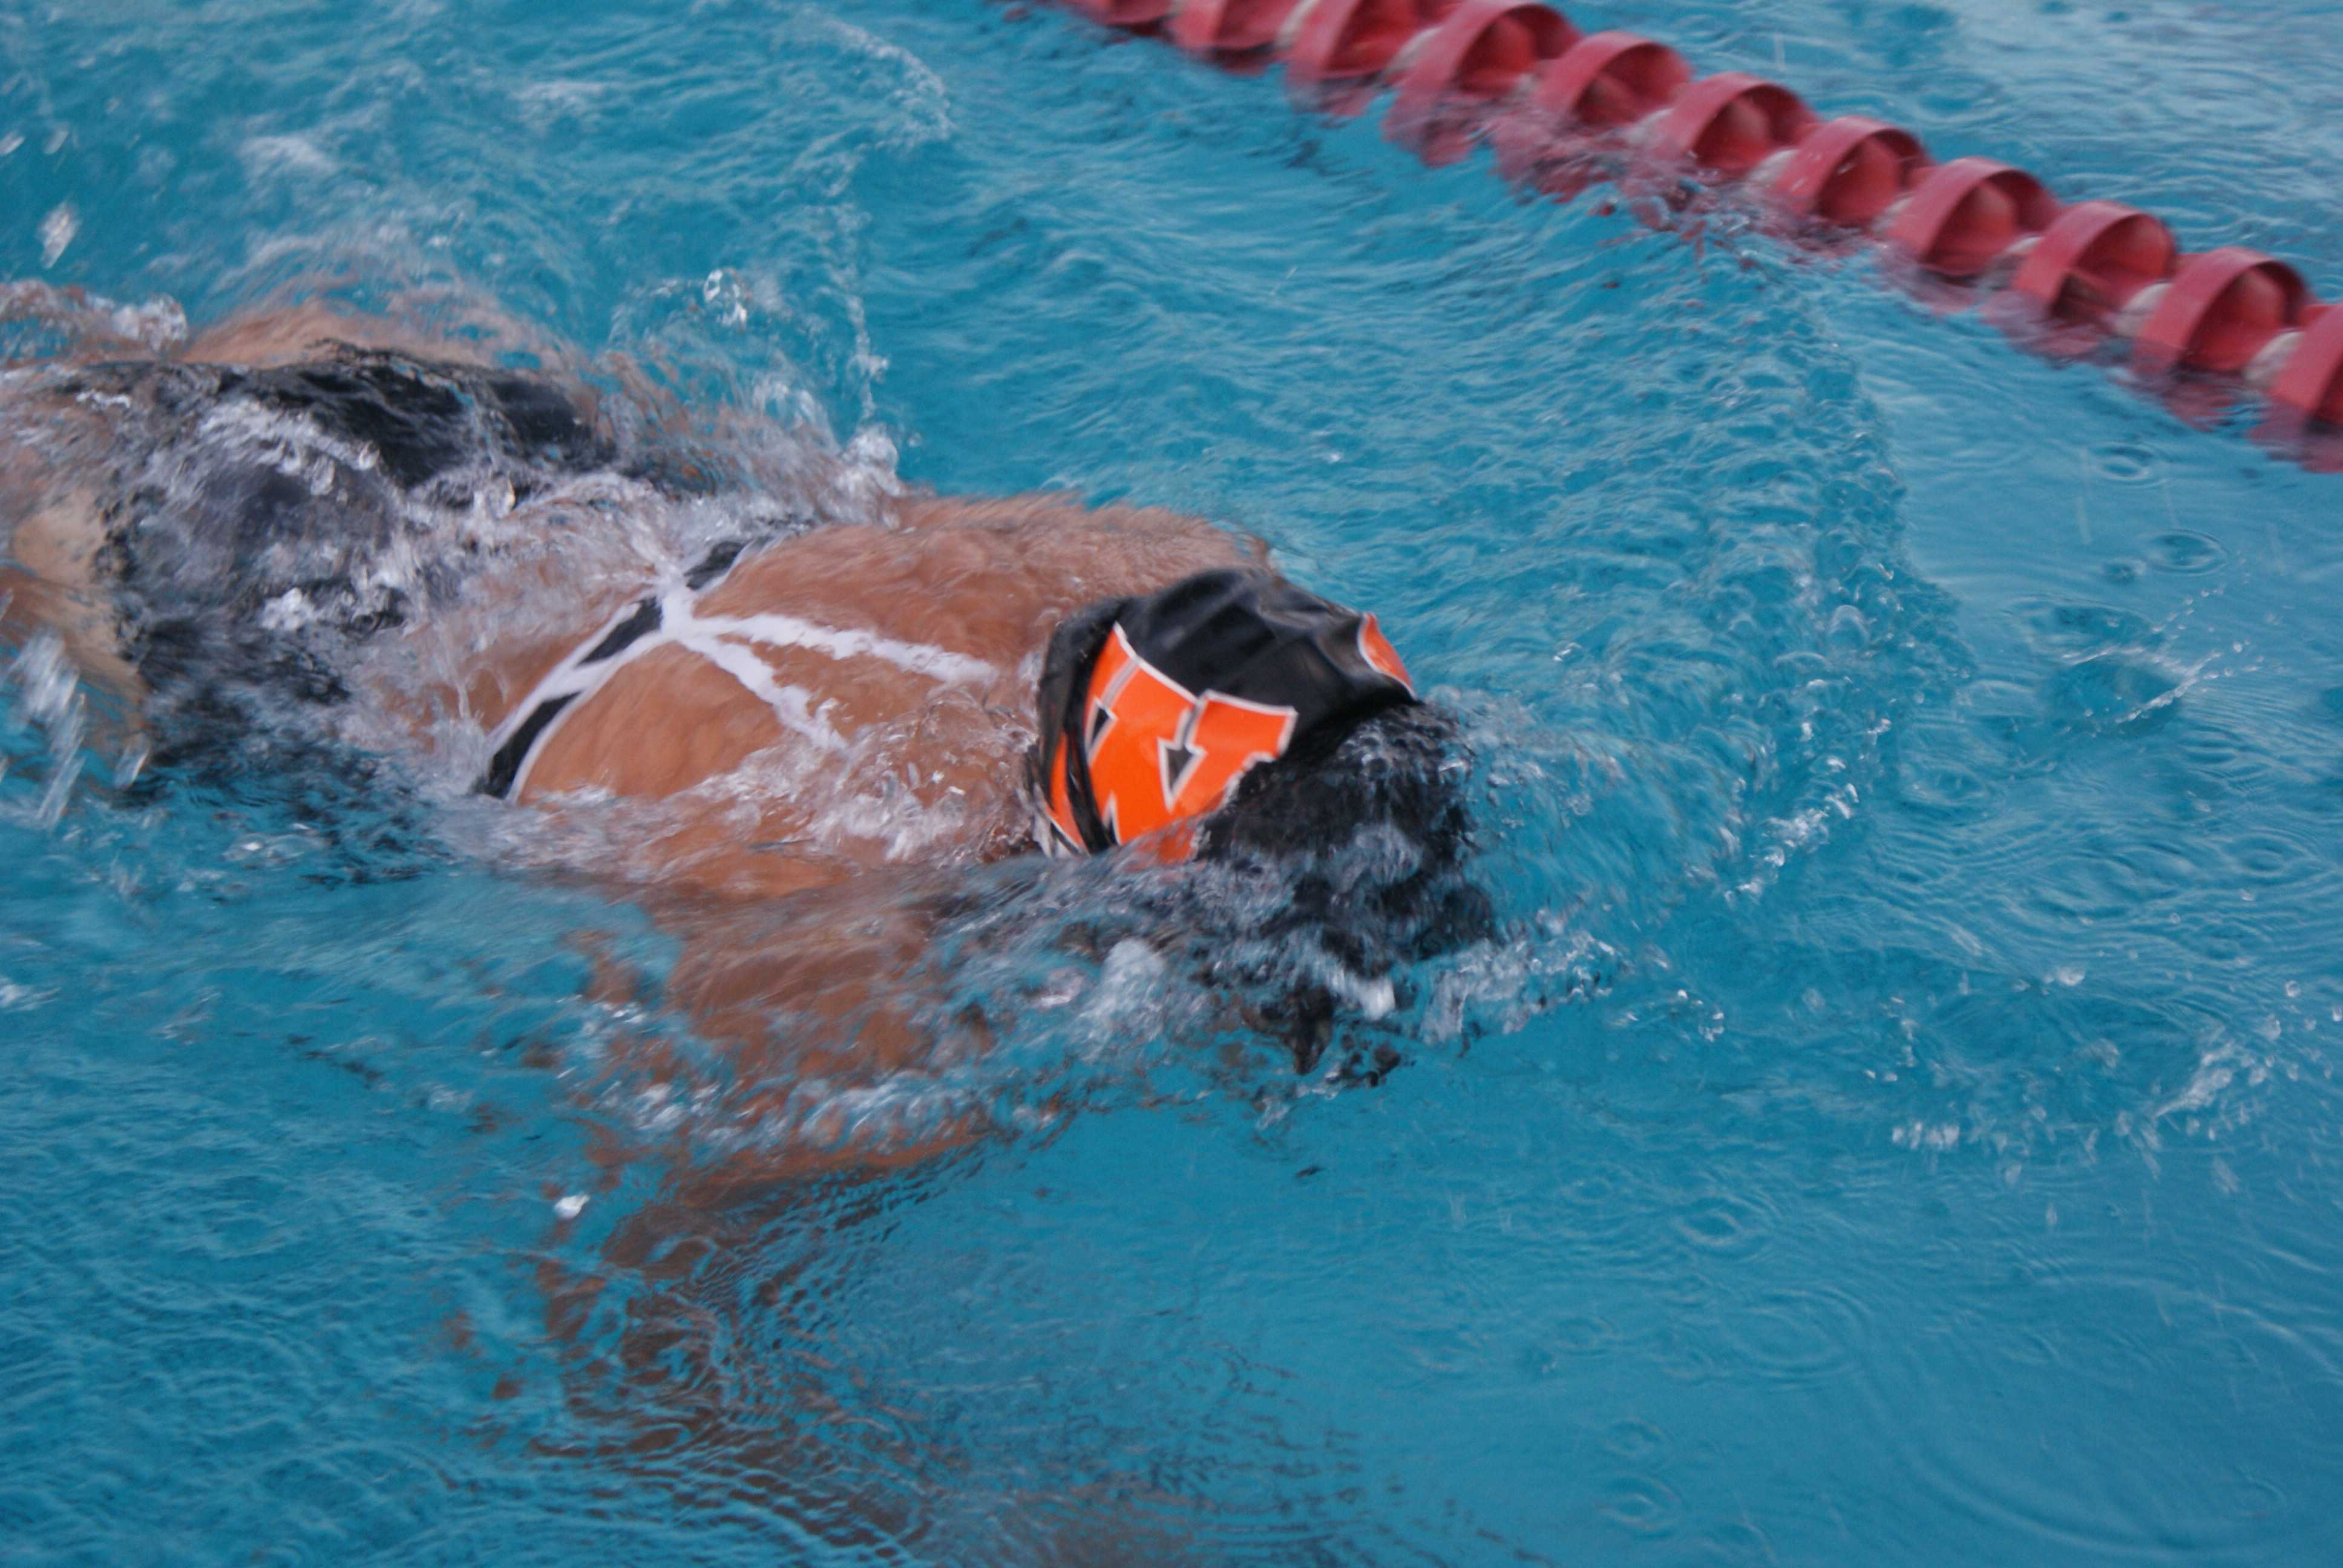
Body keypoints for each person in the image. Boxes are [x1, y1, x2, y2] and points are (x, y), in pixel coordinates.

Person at [1, 299, 1488, 1152]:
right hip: (294, 605)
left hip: (527, 446)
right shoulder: (841, 915)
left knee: (99, 372)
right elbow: (628, 1356)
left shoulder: (1143, 560)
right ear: (1156, 860)